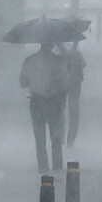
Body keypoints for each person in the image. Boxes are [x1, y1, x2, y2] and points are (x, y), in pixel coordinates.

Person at [20, 43, 69, 174]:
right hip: (54, 103)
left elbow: (23, 82)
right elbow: (64, 84)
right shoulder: (57, 61)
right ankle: (57, 168)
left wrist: (35, 79)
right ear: (51, 44)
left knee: (39, 138)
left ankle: (43, 168)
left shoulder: (30, 60)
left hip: (36, 102)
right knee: (56, 137)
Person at [64, 40, 86, 147]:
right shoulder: (77, 55)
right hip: (73, 87)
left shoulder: (67, 54)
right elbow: (82, 66)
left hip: (64, 87)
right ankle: (70, 139)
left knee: (62, 111)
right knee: (73, 113)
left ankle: (65, 139)